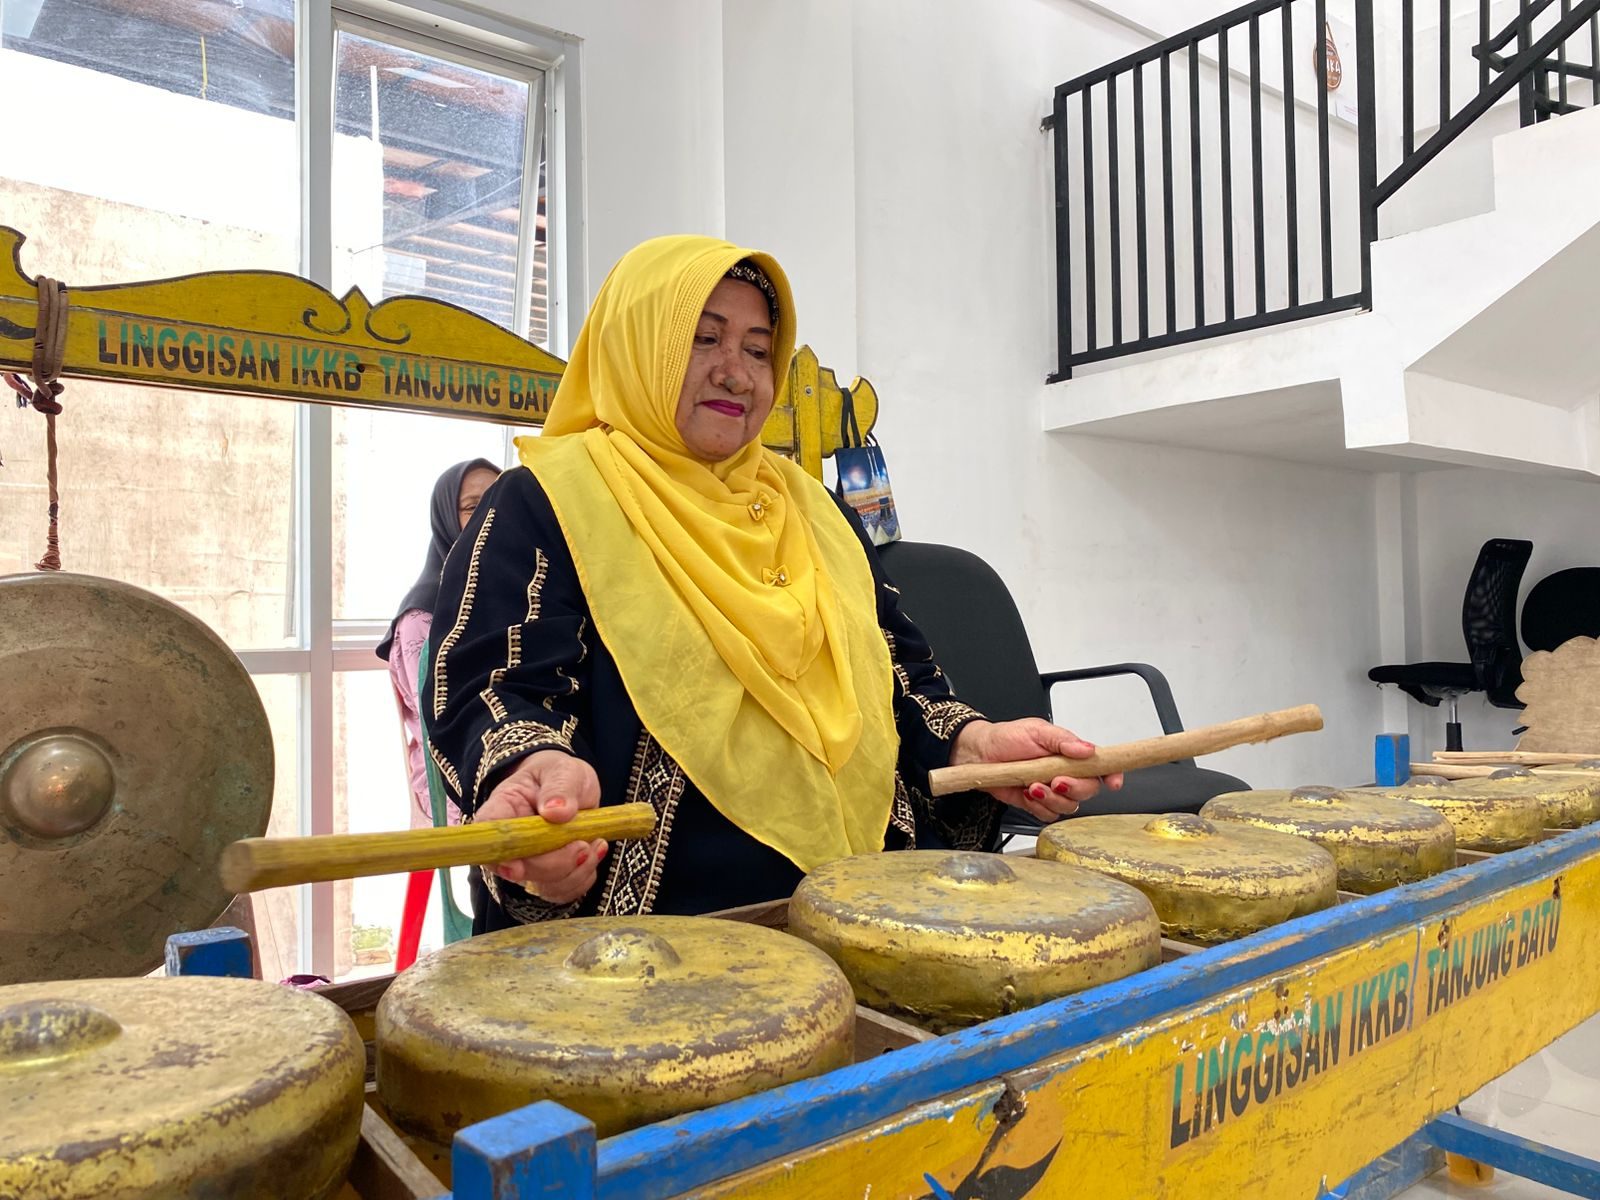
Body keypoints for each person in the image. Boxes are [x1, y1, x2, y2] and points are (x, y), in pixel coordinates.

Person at [424, 235, 1119, 931]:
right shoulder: (546, 500)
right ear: (637, 348)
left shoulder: (814, 511)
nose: (737, 374)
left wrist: (976, 747)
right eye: (703, 340)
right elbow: (499, 683)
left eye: (758, 351)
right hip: (652, 949)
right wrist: (534, 770)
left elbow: (902, 681)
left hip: (862, 912)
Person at [378, 457, 501, 829]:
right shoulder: (423, 619)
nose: (489, 514)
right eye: (471, 506)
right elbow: (444, 718)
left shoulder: (521, 590)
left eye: (500, 500)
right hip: (456, 775)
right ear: (447, 519)